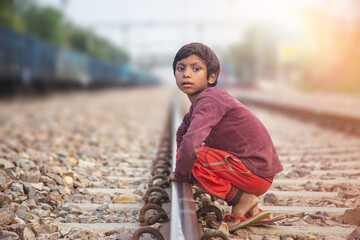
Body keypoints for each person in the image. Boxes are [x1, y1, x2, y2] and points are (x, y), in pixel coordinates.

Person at [168, 42, 285, 232]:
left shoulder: (209, 100)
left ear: (212, 77)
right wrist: (183, 168)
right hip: (257, 171)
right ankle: (252, 210)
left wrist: (182, 175)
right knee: (186, 156)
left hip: (254, 172)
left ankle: (243, 200)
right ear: (174, 74)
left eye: (195, 68)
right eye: (181, 68)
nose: (186, 74)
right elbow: (182, 133)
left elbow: (190, 145)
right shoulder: (202, 102)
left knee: (191, 156)